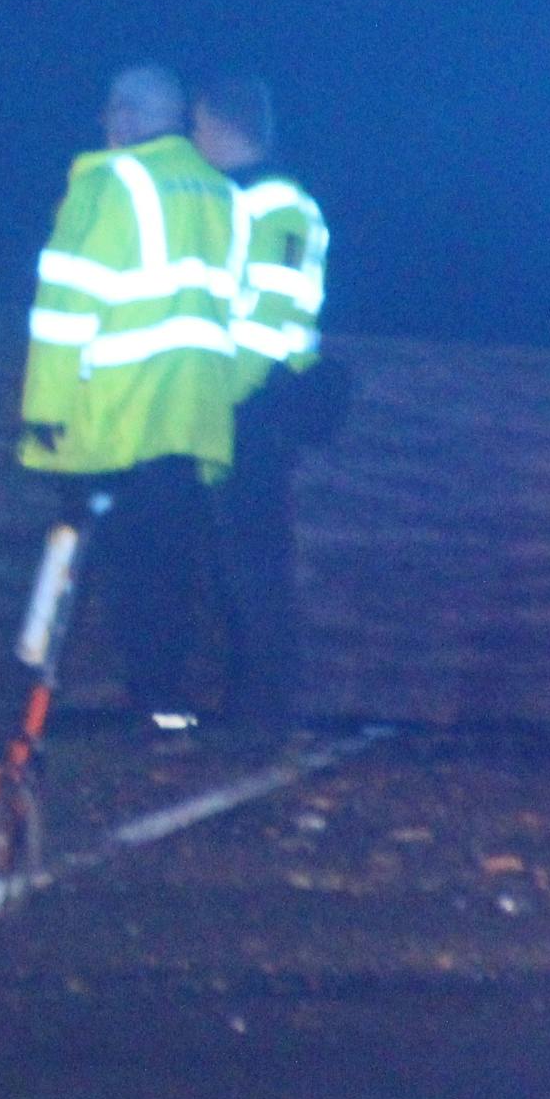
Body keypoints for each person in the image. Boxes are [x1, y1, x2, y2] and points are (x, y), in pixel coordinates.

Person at [21, 62, 242, 727]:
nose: (104, 124)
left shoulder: (109, 182)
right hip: (192, 419)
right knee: (166, 574)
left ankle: (35, 697)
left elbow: (64, 309)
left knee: (74, 564)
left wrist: (45, 414)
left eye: (110, 111)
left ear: (124, 114)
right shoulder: (221, 193)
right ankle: (162, 706)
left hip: (110, 417)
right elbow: (231, 308)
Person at [196, 74, 334, 742]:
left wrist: (210, 405)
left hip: (252, 411)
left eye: (198, 128)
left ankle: (263, 718)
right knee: (245, 571)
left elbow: (261, 325)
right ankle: (252, 712)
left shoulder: (272, 203)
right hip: (248, 408)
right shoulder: (256, 199)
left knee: (254, 573)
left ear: (217, 125)